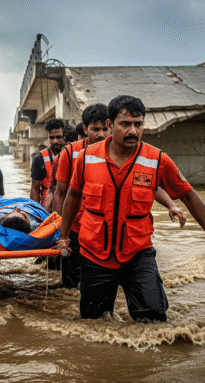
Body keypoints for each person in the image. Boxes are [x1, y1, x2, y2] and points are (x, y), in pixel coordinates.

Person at [55, 95, 205, 322]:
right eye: (125, 124)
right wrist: (64, 236)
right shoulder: (86, 158)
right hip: (94, 253)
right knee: (94, 322)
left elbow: (189, 196)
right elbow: (72, 194)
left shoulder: (157, 159)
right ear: (111, 125)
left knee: (153, 321)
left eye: (138, 124)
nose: (132, 131)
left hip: (137, 254)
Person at [53, 103, 186, 289]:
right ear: (85, 129)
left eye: (103, 129)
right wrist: (61, 232)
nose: (100, 134)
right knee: (72, 284)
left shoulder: (129, 153)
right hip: (78, 229)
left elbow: (147, 184)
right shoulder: (72, 154)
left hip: (117, 232)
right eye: (94, 129)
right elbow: (62, 193)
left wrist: (171, 205)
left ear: (109, 127)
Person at [30, 118, 65, 205]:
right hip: (48, 208)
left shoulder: (72, 153)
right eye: (51, 138)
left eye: (59, 137)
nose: (55, 141)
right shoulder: (40, 158)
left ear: (64, 135)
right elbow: (35, 188)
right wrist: (37, 212)